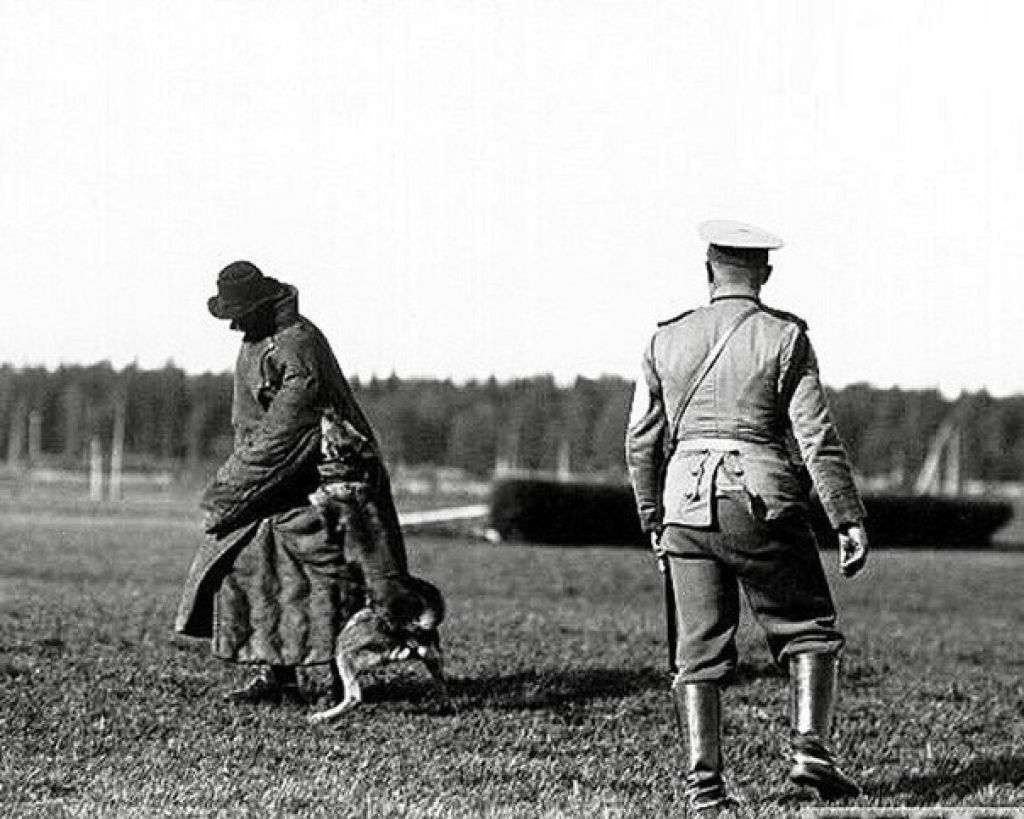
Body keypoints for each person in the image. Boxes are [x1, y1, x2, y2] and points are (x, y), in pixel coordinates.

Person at [625, 220, 869, 813]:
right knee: (808, 629)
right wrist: (845, 516)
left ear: (709, 271)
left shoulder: (665, 340)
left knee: (696, 652)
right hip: (762, 499)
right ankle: (810, 750)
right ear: (764, 273)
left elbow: (640, 442)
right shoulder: (785, 337)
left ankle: (704, 789)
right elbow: (815, 437)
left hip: (684, 509)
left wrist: (654, 519)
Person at [175, 260, 409, 704]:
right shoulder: (257, 340)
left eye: (239, 314)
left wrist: (229, 491)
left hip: (331, 480)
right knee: (251, 564)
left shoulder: (297, 344)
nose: (234, 325)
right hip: (277, 479)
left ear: (261, 306)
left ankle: (345, 679)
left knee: (336, 571)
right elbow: (254, 428)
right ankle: (277, 676)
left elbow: (288, 428)